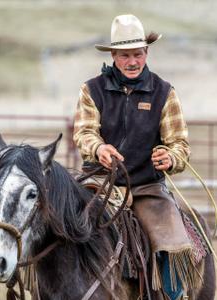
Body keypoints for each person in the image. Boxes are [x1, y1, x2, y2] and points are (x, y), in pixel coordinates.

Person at [73, 14, 201, 300]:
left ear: (147, 53)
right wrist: (99, 149)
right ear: (114, 56)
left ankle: (173, 295)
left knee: (173, 245)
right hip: (98, 183)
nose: (132, 62)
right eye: (125, 55)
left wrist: (170, 158)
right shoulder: (91, 90)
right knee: (58, 223)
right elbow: (84, 134)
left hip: (147, 188)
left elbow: (180, 143)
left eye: (138, 54)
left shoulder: (164, 93)